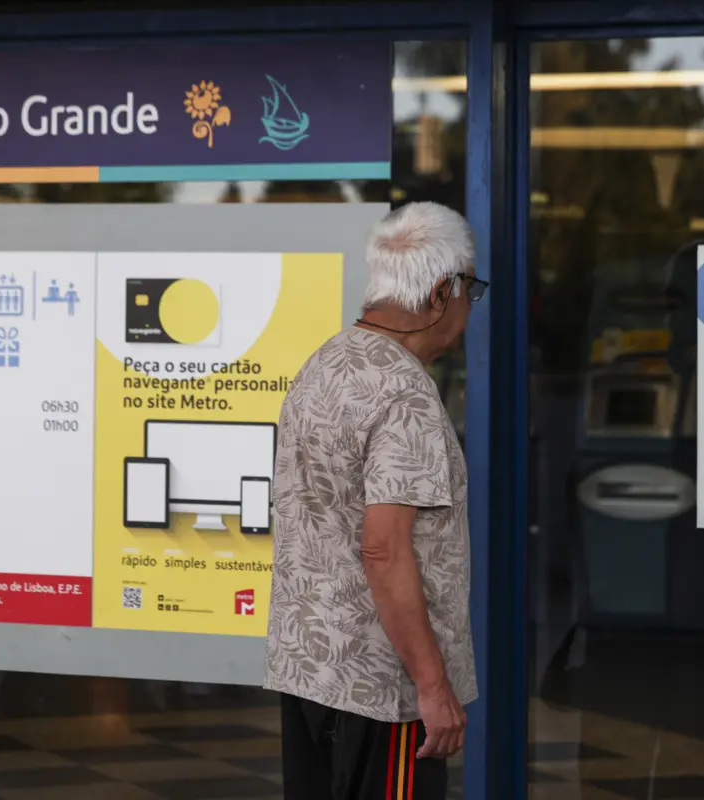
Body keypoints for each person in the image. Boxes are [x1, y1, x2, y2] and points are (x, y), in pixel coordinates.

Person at [264, 202, 486, 800]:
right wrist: (432, 688)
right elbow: (384, 549)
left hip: (311, 668)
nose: (470, 311)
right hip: (381, 688)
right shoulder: (405, 395)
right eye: (473, 292)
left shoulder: (325, 362)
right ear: (445, 291)